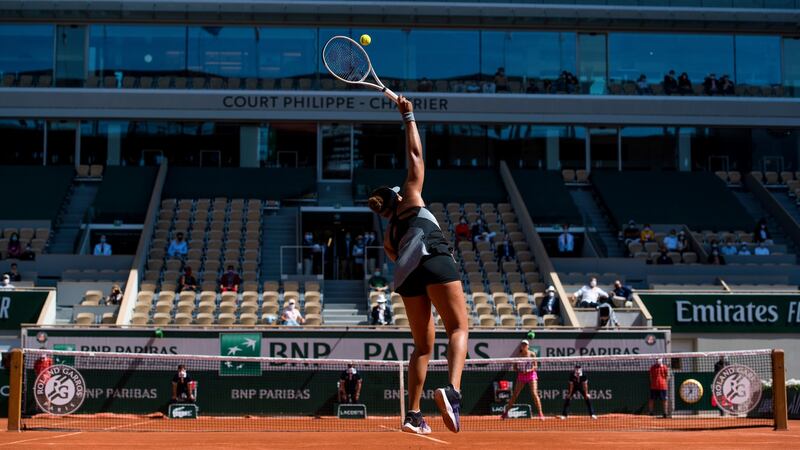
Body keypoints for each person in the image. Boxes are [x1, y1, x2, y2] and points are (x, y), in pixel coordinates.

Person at [366, 96, 467, 435]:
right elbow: (415, 157)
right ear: (397, 197)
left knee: (423, 347)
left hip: (407, 277)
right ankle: (452, 391)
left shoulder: (389, 235)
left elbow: (397, 258)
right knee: (458, 329)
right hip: (434, 258)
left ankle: (413, 414)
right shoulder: (410, 195)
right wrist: (408, 116)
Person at [502, 340, 544, 420]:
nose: (524, 346)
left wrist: (528, 370)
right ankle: (505, 413)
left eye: (525, 345)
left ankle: (540, 414)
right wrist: (520, 371)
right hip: (521, 377)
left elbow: (535, 366)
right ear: (521, 346)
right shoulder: (518, 356)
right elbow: (514, 368)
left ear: (528, 346)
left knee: (534, 394)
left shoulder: (532, 354)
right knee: (515, 395)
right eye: (523, 345)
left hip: (531, 376)